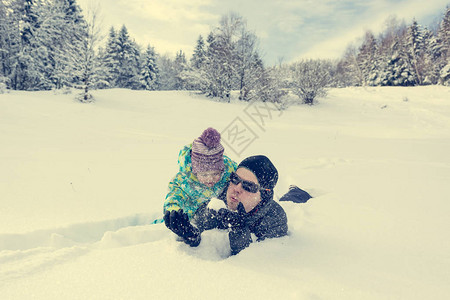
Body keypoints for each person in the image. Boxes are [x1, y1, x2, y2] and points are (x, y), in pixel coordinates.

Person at [164, 155, 288, 255]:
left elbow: (255, 261)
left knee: (294, 197)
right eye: (235, 179)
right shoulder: (220, 201)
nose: (236, 189)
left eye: (248, 186)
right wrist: (191, 234)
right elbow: (201, 221)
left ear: (264, 195)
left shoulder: (275, 219)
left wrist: (239, 230)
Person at [162, 127, 237, 221]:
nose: (210, 179)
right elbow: (174, 197)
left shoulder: (229, 170)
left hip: (219, 218)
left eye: (215, 174)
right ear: (195, 171)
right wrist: (174, 211)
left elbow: (243, 175)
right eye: (204, 175)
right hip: (191, 220)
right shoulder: (184, 181)